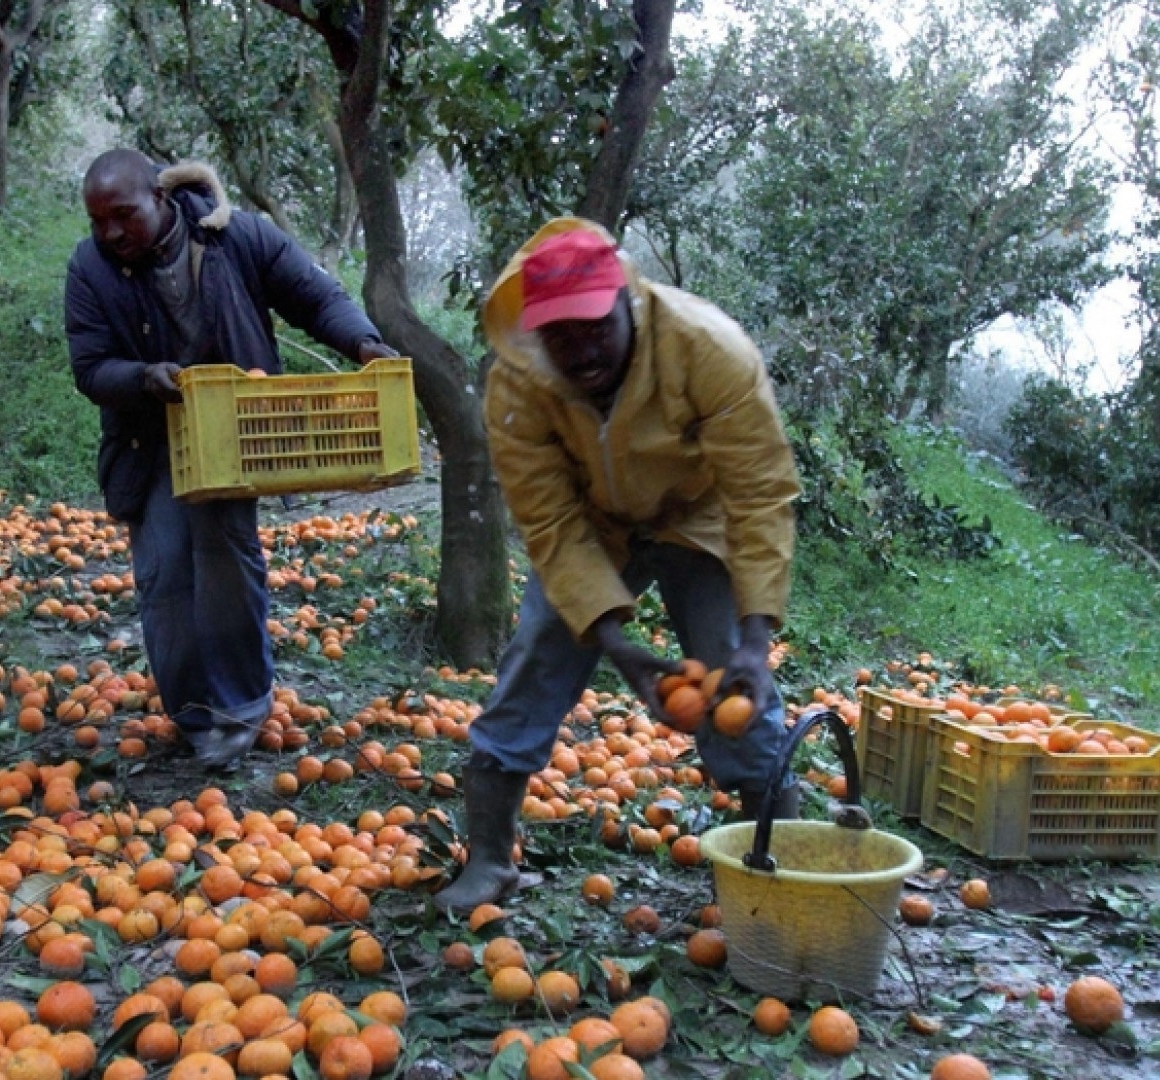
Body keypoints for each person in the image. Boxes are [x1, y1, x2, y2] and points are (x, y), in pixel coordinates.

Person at [434, 219, 803, 911]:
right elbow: (548, 518)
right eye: (560, 335)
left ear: (626, 302)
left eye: (595, 326)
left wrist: (756, 641)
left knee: (732, 677)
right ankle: (488, 859)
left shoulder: (707, 349)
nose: (580, 350)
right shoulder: (519, 385)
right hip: (594, 524)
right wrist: (612, 642)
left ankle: (777, 856)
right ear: (534, 333)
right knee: (540, 650)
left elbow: (759, 494)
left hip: (700, 514)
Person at [65, 150, 397, 769]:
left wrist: (364, 341)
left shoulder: (234, 235)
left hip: (231, 433)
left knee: (222, 563)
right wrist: (143, 376)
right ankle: (194, 715)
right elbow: (89, 367)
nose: (110, 233)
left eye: (123, 215)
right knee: (164, 575)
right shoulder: (91, 268)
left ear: (161, 199)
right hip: (152, 440)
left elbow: (313, 295)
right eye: (97, 220)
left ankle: (241, 709)